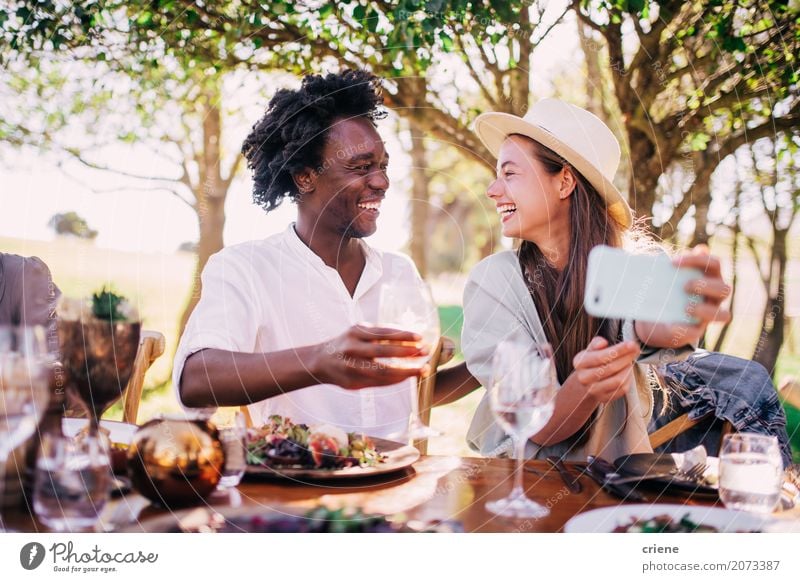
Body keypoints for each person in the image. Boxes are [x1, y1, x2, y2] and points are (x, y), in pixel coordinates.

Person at [174, 70, 476, 437]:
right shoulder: (245, 268)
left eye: (382, 166)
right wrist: (319, 360)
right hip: (297, 486)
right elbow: (196, 381)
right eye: (361, 167)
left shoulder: (400, 272)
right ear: (305, 177)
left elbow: (405, 395)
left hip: (397, 486)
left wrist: (485, 366)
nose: (381, 181)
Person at [462, 98, 732, 461]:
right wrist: (587, 385)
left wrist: (673, 317)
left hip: (613, 494)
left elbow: (652, 328)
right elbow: (540, 427)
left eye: (509, 174)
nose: (492, 190)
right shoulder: (494, 280)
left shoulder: (634, 266)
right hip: (519, 487)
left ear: (565, 182)